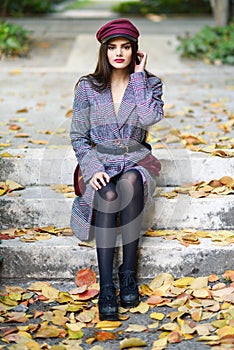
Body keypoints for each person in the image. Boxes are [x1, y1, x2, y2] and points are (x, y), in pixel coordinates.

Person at [70, 18, 164, 321]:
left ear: (135, 50)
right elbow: (78, 136)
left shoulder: (150, 83)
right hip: (100, 162)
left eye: (126, 47)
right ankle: (108, 285)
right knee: (109, 194)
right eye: (112, 47)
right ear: (104, 51)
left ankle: (128, 274)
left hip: (136, 161)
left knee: (132, 181)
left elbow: (150, 119)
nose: (119, 53)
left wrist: (138, 77)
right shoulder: (88, 86)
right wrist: (92, 166)